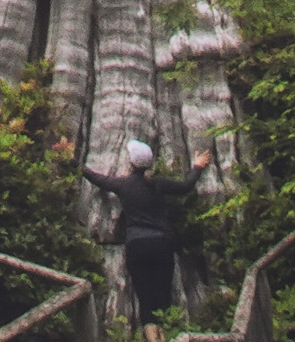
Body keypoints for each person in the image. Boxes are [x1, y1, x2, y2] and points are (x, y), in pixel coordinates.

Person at [86, 136, 211, 328]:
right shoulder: (158, 184)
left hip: (137, 245)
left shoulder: (123, 185)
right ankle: (169, 340)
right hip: (162, 243)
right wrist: (197, 166)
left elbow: (97, 178)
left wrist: (72, 161)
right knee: (163, 295)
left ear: (131, 162)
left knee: (145, 298)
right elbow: (186, 186)